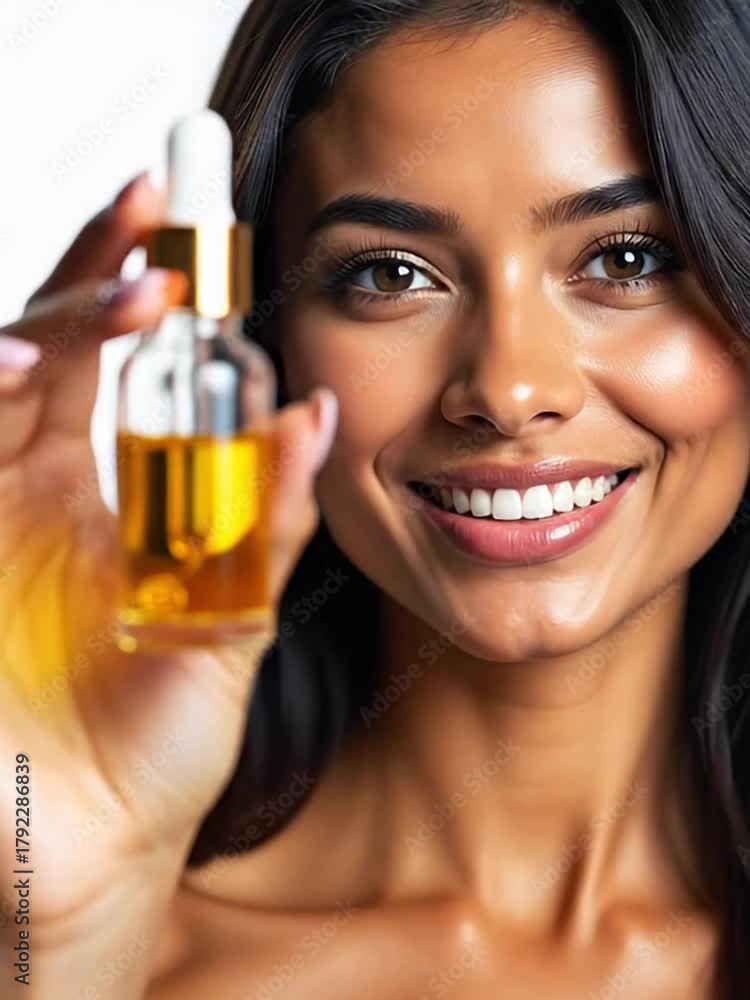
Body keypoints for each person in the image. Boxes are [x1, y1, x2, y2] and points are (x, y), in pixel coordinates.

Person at [1, 0, 749, 996]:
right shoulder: (103, 952)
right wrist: (54, 947)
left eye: (625, 258)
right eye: (390, 274)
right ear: (267, 342)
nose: (509, 389)